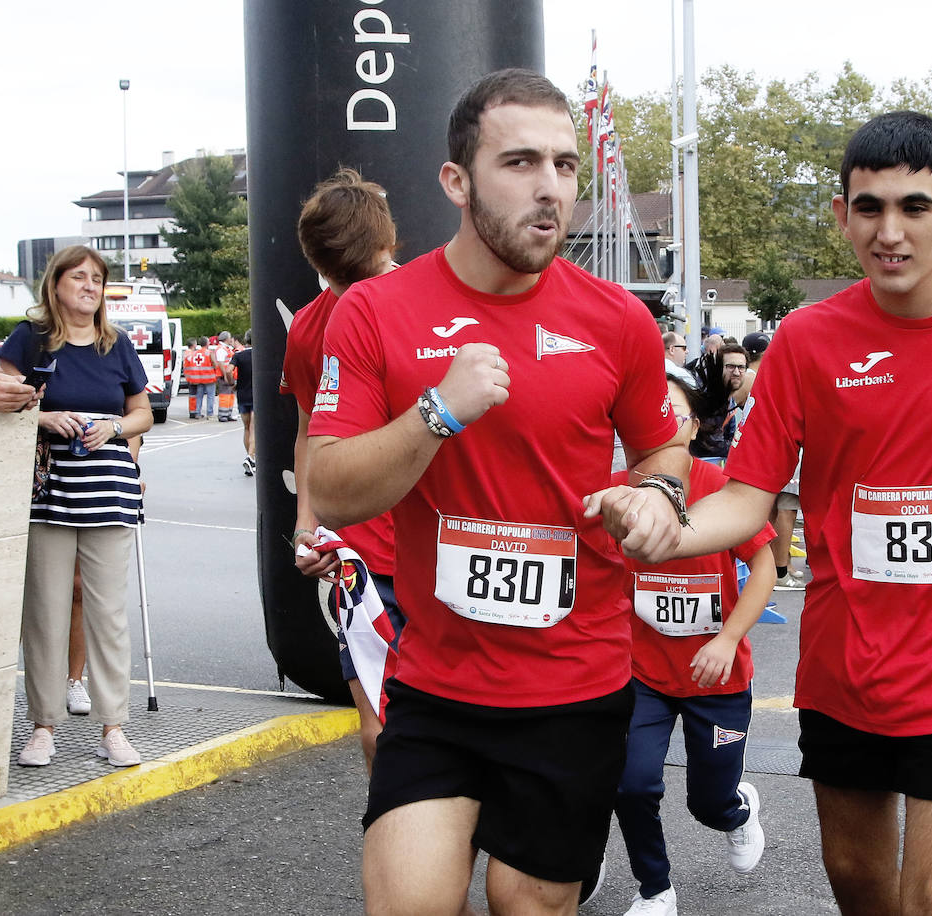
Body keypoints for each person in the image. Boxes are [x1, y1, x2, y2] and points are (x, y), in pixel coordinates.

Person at [587, 110, 932, 916]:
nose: (890, 231)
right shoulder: (806, 342)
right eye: (869, 207)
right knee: (863, 889)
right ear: (842, 216)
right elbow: (748, 495)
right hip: (847, 673)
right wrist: (669, 529)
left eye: (913, 207)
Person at [305, 69, 684, 915]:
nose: (549, 188)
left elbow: (665, 442)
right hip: (437, 686)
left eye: (563, 164)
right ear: (457, 181)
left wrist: (659, 494)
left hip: (575, 688)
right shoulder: (374, 312)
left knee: (529, 903)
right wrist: (436, 411)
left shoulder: (616, 319)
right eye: (518, 162)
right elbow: (330, 490)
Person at [612, 376, 775, 916]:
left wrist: (728, 640)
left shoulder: (722, 485)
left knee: (708, 803)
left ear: (695, 426)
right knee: (632, 785)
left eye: (672, 413)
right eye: (646, 413)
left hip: (716, 678)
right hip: (642, 674)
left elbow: (765, 569)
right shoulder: (615, 488)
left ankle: (737, 810)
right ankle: (655, 888)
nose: (660, 423)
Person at [0, 245, 152, 768]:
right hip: (47, 492)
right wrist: (44, 416)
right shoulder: (30, 339)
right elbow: (2, 397)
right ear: (56, 284)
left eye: (97, 278)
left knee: (108, 614)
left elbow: (141, 413)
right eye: (80, 277)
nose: (90, 286)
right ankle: (43, 726)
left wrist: (114, 427)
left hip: (107, 491)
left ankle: (114, 727)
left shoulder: (118, 344)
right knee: (44, 613)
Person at [281, 167, 403, 771]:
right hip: (363, 557)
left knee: (405, 724)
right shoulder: (307, 327)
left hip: (448, 549)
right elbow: (309, 431)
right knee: (382, 723)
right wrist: (309, 524)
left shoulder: (434, 306)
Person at [689, 344, 748, 465]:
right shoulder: (708, 398)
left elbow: (731, 437)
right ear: (719, 368)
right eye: (730, 366)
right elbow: (712, 445)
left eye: (741, 367)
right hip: (701, 467)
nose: (736, 372)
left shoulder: (729, 398)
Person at [231, 330, 256, 475]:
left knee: (246, 428)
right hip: (257, 395)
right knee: (254, 427)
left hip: (243, 394)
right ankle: (251, 457)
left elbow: (228, 370)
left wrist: (231, 382)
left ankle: (250, 457)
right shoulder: (261, 354)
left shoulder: (238, 355)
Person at [183, 337, 219, 419]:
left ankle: (197, 412)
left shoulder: (195, 353)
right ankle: (210, 413)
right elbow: (214, 364)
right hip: (209, 378)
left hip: (198, 378)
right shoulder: (209, 353)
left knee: (199, 396)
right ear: (207, 343)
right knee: (210, 396)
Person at [213, 330, 237, 421]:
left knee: (230, 395)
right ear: (226, 339)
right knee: (224, 395)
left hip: (229, 375)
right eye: (230, 337)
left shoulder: (226, 348)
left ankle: (228, 414)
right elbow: (221, 363)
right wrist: (226, 375)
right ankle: (223, 415)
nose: (231, 339)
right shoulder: (221, 349)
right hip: (224, 376)